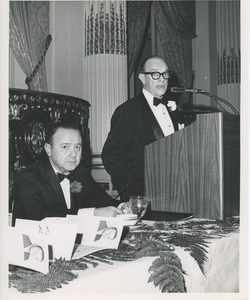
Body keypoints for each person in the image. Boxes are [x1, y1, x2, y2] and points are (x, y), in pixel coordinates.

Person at [12, 121, 128, 225]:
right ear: (48, 149)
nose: (73, 154)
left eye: (77, 147)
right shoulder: (27, 178)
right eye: (65, 147)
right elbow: (41, 217)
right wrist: (93, 214)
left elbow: (104, 201)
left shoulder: (81, 174)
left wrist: (123, 206)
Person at [101, 55, 185, 201]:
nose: (161, 79)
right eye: (154, 73)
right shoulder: (128, 111)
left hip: (177, 192)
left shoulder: (174, 110)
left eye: (165, 74)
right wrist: (128, 190)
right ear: (142, 78)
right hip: (142, 196)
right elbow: (111, 155)